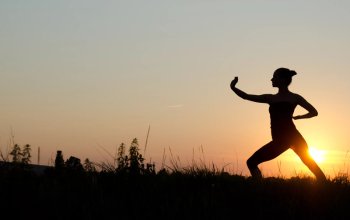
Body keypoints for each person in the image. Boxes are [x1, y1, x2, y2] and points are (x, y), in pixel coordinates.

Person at [230, 67, 326, 181]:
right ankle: (259, 187)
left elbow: (314, 112)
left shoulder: (294, 97)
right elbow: (246, 96)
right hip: (281, 140)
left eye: (274, 77)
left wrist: (300, 117)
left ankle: (326, 187)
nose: (271, 79)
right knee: (251, 162)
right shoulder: (271, 98)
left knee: (311, 165)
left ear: (283, 80)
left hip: (292, 138)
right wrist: (233, 88)